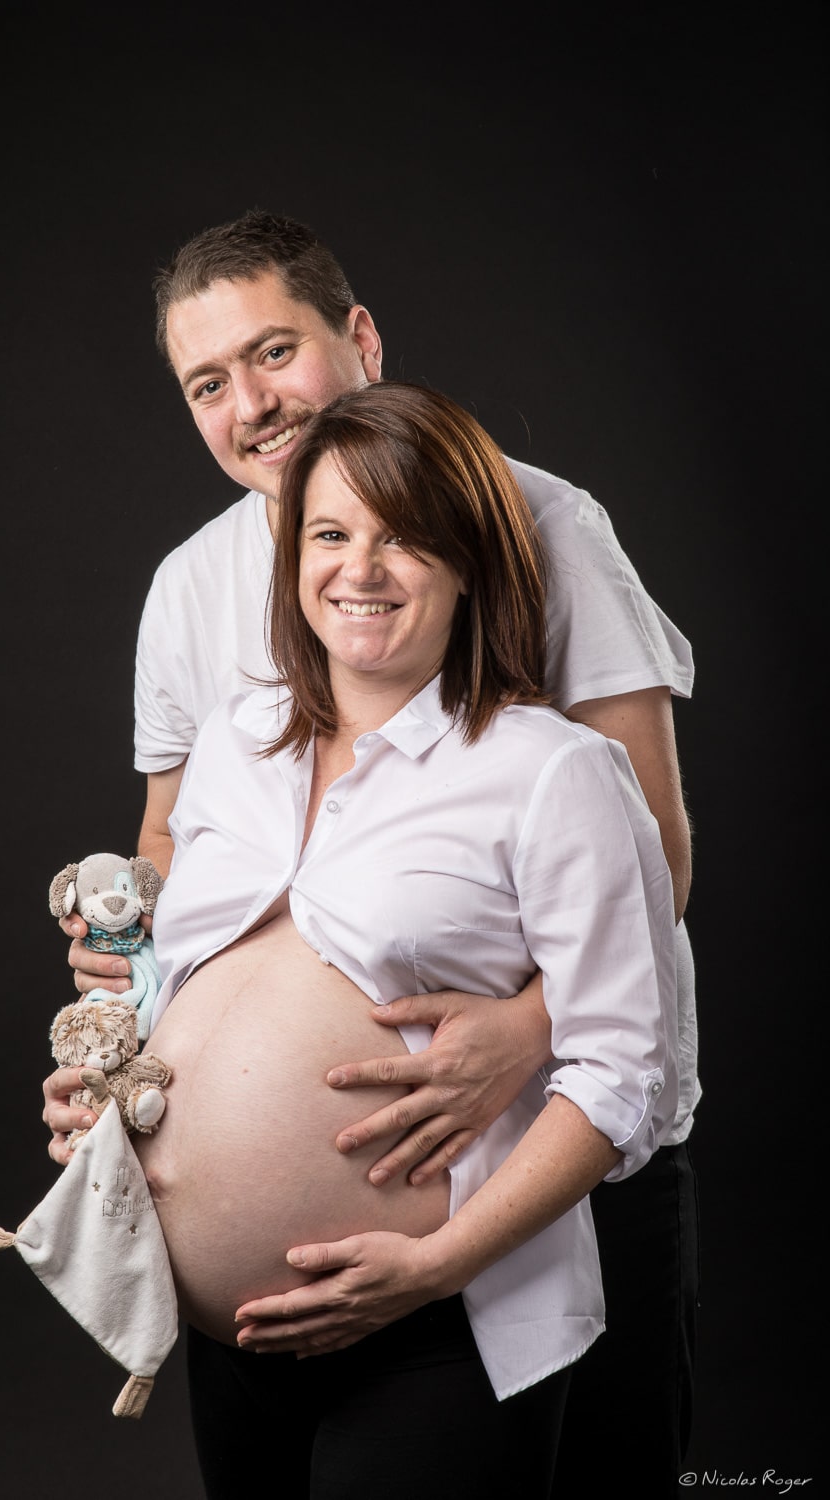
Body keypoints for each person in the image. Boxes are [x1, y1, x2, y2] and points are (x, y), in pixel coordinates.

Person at [43, 210, 700, 1491]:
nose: (252, 402)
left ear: (358, 337)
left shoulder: (541, 528)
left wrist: (526, 1030)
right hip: (256, 1319)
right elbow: (175, 858)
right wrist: (130, 1039)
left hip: (524, 1147)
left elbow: (652, 853)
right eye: (208, 382)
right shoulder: (194, 595)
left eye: (272, 351)